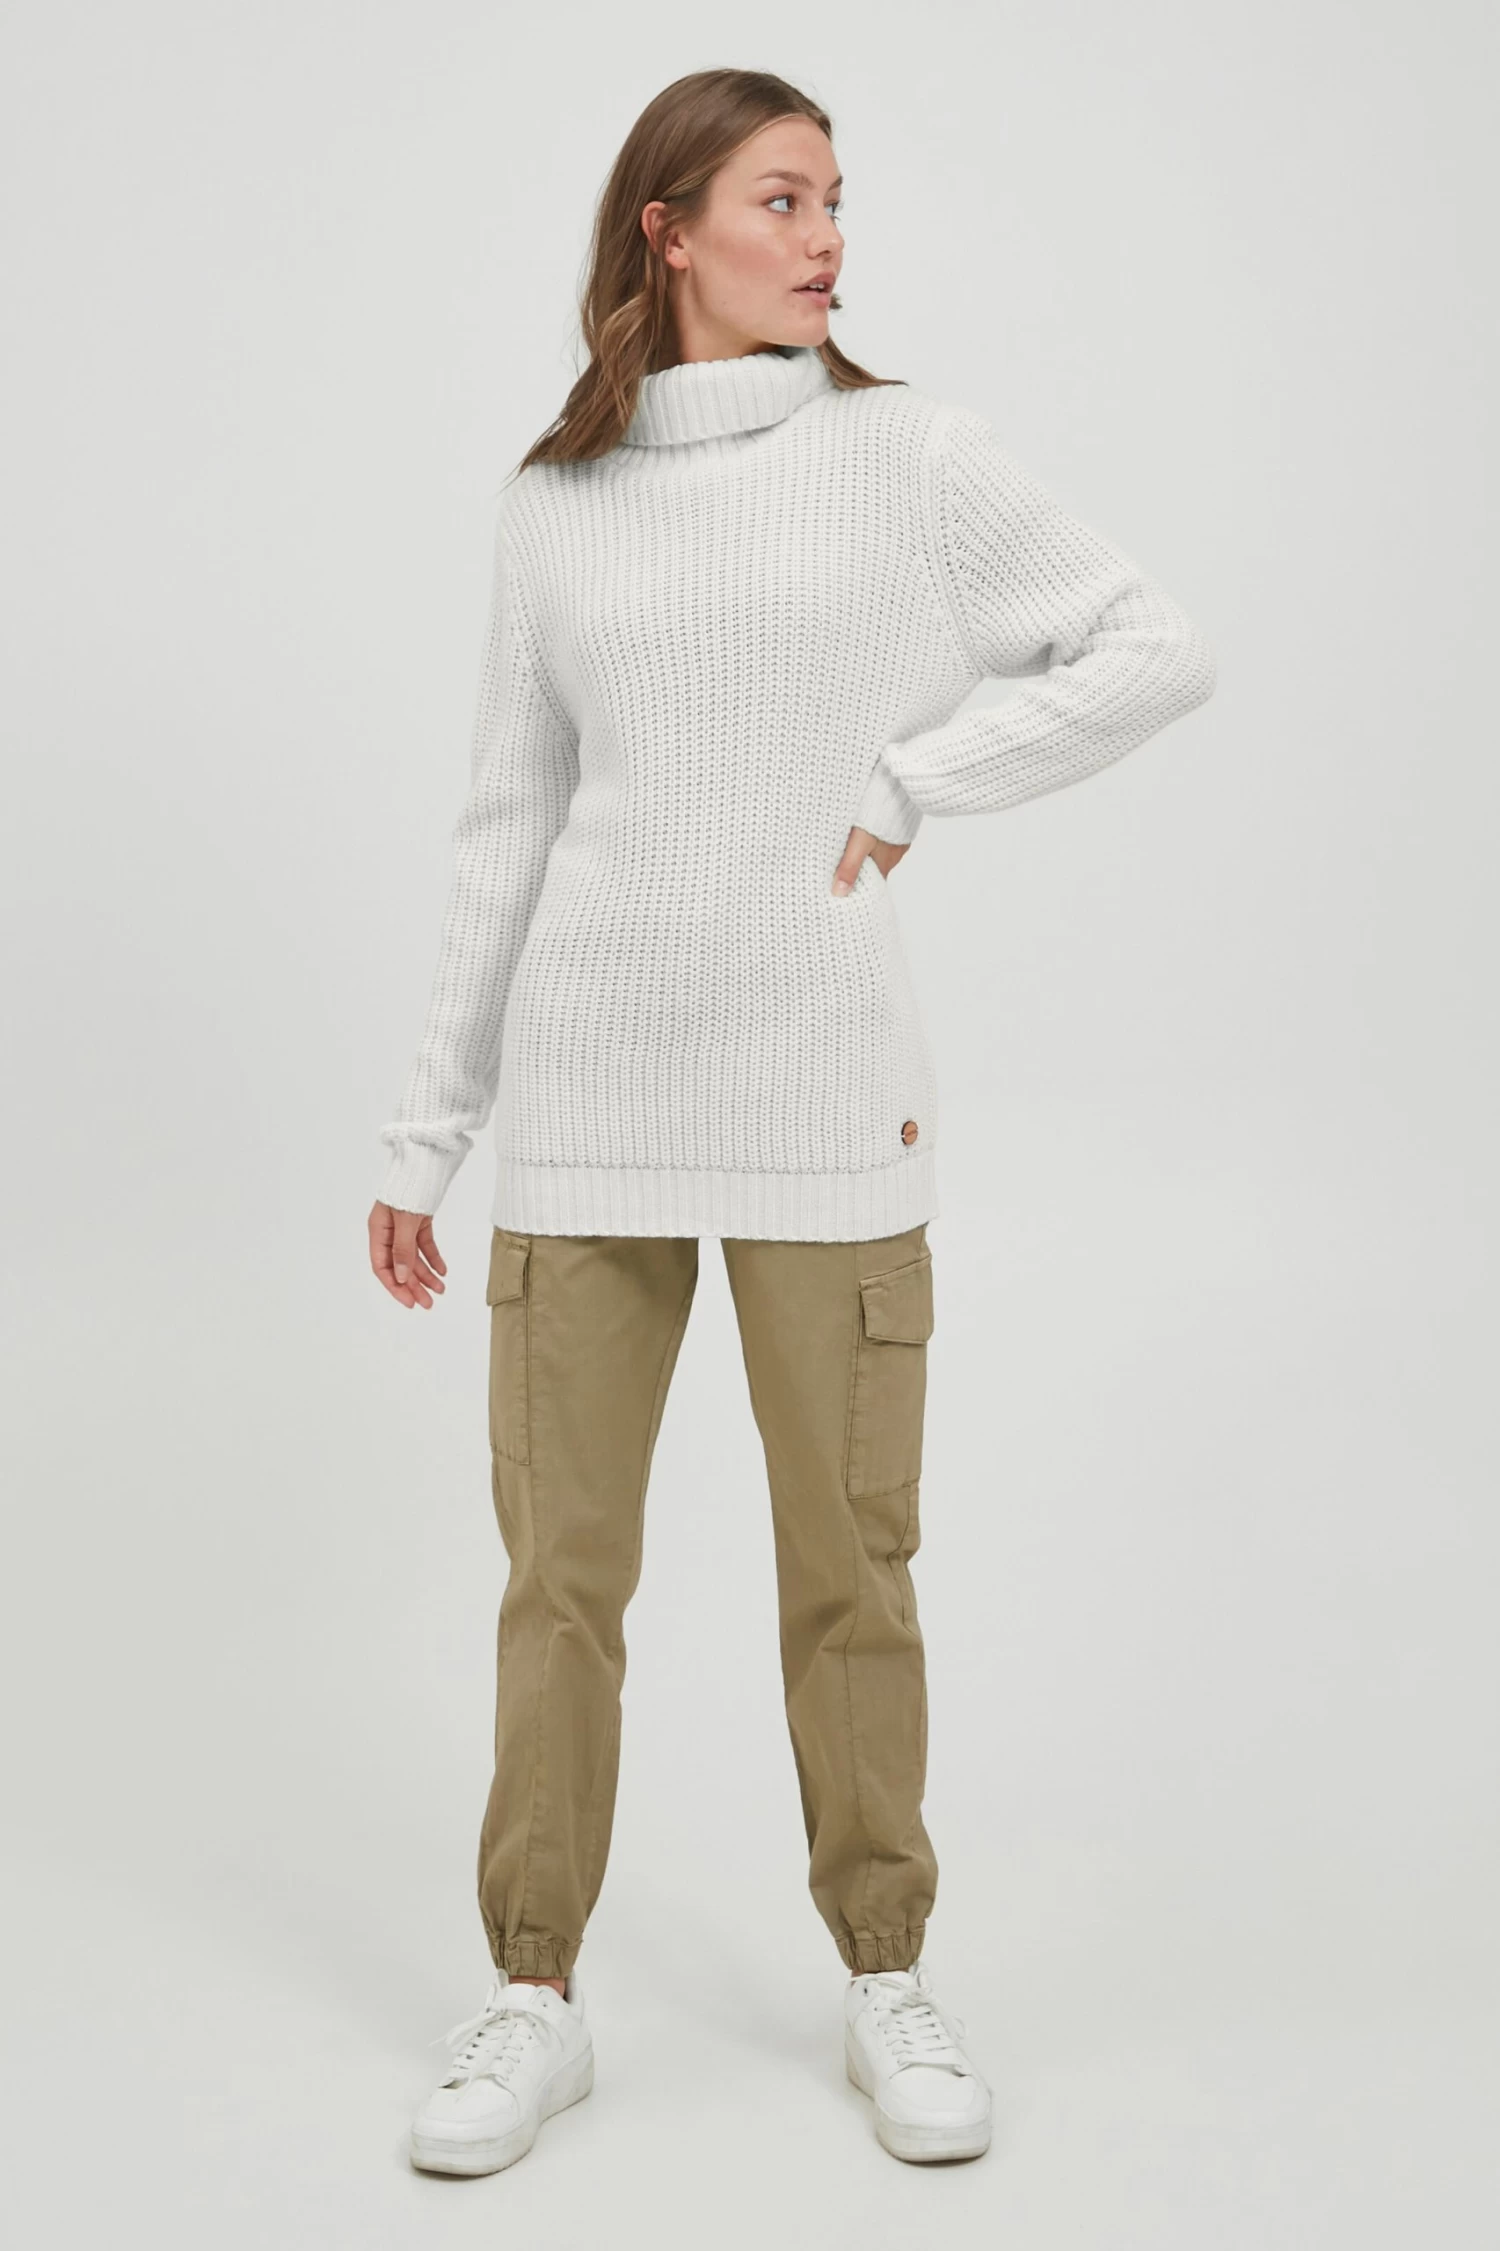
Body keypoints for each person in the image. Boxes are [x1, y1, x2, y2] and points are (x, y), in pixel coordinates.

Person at [368, 67, 1216, 2175]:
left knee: (853, 1570)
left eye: (838, 198)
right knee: (561, 1578)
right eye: (782, 198)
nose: (828, 236)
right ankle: (533, 1992)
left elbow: (1148, 644)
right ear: (667, 226)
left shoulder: (909, 456)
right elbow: (504, 822)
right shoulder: (554, 504)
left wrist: (922, 776)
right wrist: (425, 1134)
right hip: (588, 1105)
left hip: (830, 1105)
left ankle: (885, 1969)